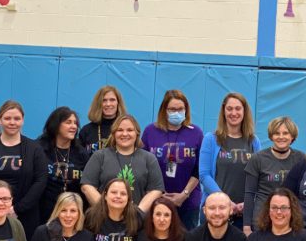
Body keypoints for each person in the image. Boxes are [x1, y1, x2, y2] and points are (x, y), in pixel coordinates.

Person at [0, 100, 48, 241]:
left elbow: (40, 181)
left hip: (23, 215)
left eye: (17, 118)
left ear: (23, 120)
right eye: (7, 118)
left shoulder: (34, 149)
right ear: (0, 120)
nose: (12, 122)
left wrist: (17, 209)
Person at [142, 89, 203, 229]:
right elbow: (143, 165)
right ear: (164, 110)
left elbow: (199, 169)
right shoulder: (150, 131)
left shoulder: (196, 133)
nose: (177, 113)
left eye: (181, 109)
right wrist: (156, 194)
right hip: (156, 201)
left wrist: (184, 194)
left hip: (188, 202)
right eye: (172, 109)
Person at [81, 114, 164, 213]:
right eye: (120, 130)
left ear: (137, 133)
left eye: (129, 130)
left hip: (137, 223)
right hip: (103, 221)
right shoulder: (100, 156)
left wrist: (138, 213)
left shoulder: (149, 159)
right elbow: (87, 186)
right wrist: (107, 210)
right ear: (113, 133)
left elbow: (155, 190)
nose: (125, 134)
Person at [199, 93, 260, 228]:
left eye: (238, 108)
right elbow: (204, 175)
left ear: (244, 112)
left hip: (245, 213)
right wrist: (225, 202)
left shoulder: (253, 141)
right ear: (223, 111)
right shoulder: (211, 139)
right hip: (216, 211)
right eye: (229, 108)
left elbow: (259, 176)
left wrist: (248, 203)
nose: (234, 113)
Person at [243, 117, 306, 235]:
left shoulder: (301, 159)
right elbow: (249, 194)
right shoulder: (258, 159)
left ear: (292, 136)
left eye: (285, 133)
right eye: (277, 133)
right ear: (271, 136)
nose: (281, 137)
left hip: (290, 221)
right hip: (262, 220)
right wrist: (246, 227)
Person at [38, 106, 89, 221]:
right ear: (56, 125)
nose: (73, 126)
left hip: (72, 214)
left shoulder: (81, 153)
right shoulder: (39, 149)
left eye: (75, 123)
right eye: (68, 122)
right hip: (44, 213)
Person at [78, 85, 127, 155]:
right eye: (104, 100)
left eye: (112, 100)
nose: (108, 104)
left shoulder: (127, 129)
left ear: (118, 103)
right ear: (98, 104)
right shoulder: (86, 131)